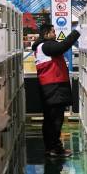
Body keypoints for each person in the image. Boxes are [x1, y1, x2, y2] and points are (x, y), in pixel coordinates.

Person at [31, 23, 80, 158]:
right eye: (53, 32)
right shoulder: (46, 46)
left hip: (49, 88)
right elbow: (62, 46)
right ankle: (54, 148)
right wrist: (77, 32)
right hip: (53, 88)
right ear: (46, 34)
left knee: (50, 119)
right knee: (55, 120)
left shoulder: (41, 47)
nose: (55, 34)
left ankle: (51, 147)